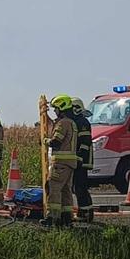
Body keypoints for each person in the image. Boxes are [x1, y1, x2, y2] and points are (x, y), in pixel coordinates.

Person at [43, 95, 80, 226]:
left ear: (61, 108)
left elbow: (56, 141)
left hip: (61, 163)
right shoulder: (72, 123)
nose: (55, 111)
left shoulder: (63, 123)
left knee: (54, 187)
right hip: (70, 163)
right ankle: (66, 217)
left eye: (56, 109)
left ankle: (52, 217)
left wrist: (45, 141)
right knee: (66, 190)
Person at [69, 97, 95, 222]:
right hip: (79, 160)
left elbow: (85, 142)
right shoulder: (76, 121)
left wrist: (79, 158)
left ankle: (85, 214)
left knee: (80, 187)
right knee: (78, 187)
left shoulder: (82, 122)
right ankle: (86, 212)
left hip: (82, 161)